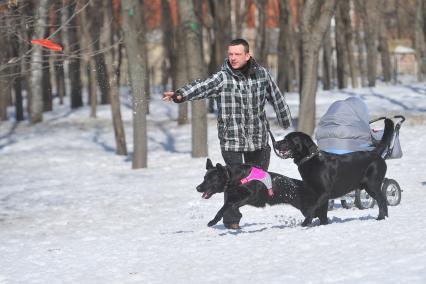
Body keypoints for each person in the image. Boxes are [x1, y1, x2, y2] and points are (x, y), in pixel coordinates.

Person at [163, 38, 292, 229]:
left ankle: (281, 198)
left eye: (237, 54)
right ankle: (232, 221)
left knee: (259, 179)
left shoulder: (262, 75)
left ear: (247, 56)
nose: (233, 58)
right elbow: (202, 86)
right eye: (230, 54)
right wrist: (180, 95)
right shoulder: (222, 78)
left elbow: (276, 96)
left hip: (258, 139)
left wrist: (285, 119)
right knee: (232, 182)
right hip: (231, 141)